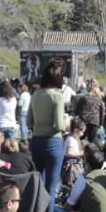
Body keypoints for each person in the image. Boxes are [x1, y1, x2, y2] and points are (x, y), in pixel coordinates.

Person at [28, 57, 71, 203]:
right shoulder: (57, 96)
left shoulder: (35, 95)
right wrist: (66, 122)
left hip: (36, 141)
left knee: (36, 184)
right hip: (53, 142)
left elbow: (28, 121)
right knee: (50, 188)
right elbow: (59, 126)